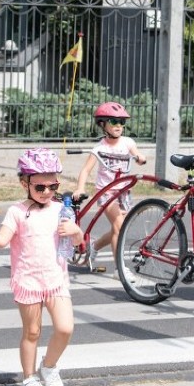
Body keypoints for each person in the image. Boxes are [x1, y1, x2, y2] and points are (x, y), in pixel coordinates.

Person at [0, 148, 84, 386]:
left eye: (53, 186)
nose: (47, 192)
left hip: (56, 280)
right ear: (25, 183)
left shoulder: (61, 210)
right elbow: (1, 240)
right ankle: (29, 377)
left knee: (65, 328)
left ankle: (49, 366)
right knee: (32, 332)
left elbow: (76, 242)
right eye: (40, 187)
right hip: (29, 281)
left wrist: (75, 231)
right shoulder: (16, 211)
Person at [73, 102, 146, 272]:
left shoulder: (127, 142)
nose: (119, 126)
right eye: (114, 121)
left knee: (117, 228)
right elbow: (85, 170)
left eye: (122, 122)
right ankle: (120, 270)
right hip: (106, 192)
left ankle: (94, 246)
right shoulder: (99, 148)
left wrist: (140, 157)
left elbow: (136, 154)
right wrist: (80, 188)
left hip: (124, 192)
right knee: (120, 226)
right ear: (102, 124)